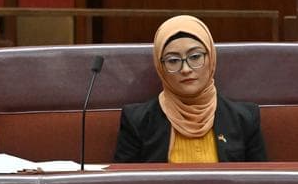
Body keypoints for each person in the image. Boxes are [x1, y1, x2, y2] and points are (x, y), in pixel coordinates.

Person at [114, 15, 267, 163]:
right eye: (173, 60)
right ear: (160, 67)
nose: (186, 69)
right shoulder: (138, 121)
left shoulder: (244, 119)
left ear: (211, 58)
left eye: (195, 57)